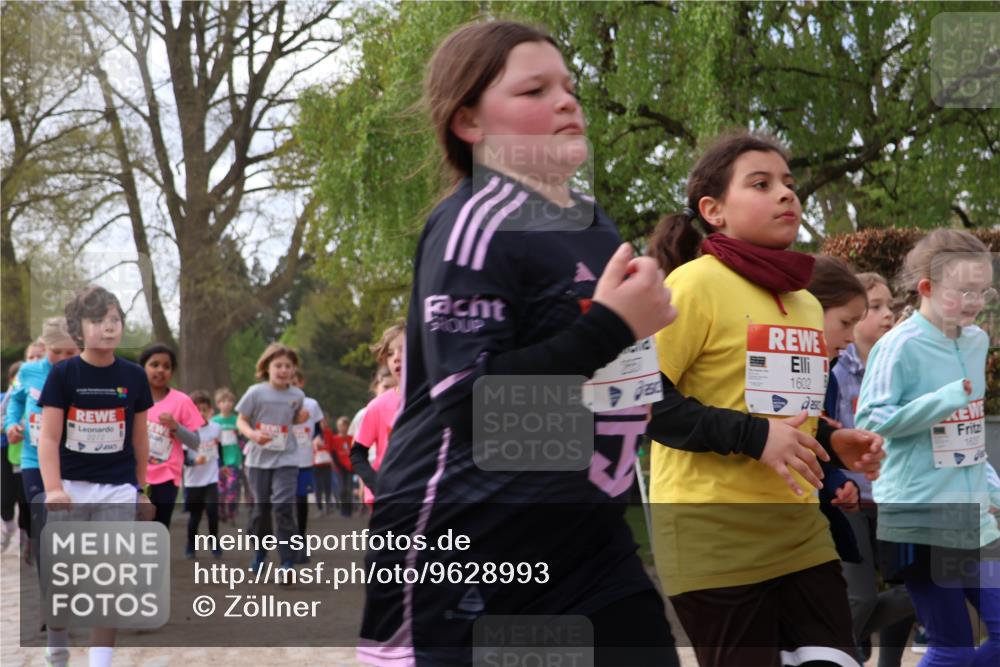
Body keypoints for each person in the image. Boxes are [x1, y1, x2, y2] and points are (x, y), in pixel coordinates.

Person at [357, 21, 679, 667]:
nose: (567, 101)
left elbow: (621, 388)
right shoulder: (475, 219)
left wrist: (761, 436)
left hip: (589, 542)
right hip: (472, 545)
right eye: (535, 89)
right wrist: (614, 324)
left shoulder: (592, 223)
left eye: (569, 85)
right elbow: (471, 405)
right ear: (470, 123)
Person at [645, 131, 884, 667]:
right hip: (714, 543)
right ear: (714, 211)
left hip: (802, 536)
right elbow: (641, 402)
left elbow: (780, 412)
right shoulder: (690, 287)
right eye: (761, 183)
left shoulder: (802, 302)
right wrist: (755, 439)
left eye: (789, 183)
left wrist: (832, 437)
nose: (786, 194)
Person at [857, 229, 1000, 665]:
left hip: (972, 513)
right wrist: (946, 398)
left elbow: (969, 429)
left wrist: (992, 490)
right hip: (917, 514)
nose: (976, 302)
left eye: (984, 291)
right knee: (951, 647)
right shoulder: (897, 346)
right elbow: (871, 421)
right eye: (965, 292)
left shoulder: (976, 340)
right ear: (927, 288)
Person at [37, 285, 154, 667]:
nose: (109, 327)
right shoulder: (64, 375)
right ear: (77, 329)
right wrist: (53, 488)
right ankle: (57, 645)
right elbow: (50, 438)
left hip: (117, 489)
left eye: (115, 320)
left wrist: (141, 490)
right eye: (98, 320)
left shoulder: (134, 377)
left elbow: (139, 440)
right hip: (69, 489)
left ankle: (99, 663)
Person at [829, 271, 915, 665]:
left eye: (889, 307)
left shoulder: (903, 364)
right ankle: (839, 648)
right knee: (859, 597)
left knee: (913, 592)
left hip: (896, 495)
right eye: (874, 307)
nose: (886, 315)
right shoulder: (833, 367)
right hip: (849, 499)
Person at [236, 343, 308, 575]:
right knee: (261, 510)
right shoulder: (255, 392)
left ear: (294, 370)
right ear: (267, 367)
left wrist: (299, 419)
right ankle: (260, 551)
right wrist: (253, 434)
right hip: (258, 461)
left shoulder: (297, 395)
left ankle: (287, 561)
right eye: (278, 365)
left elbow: (291, 419)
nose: (283, 370)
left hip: (286, 458)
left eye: (288, 366)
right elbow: (241, 420)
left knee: (284, 507)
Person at [140, 343, 204, 528]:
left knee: (159, 527)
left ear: (172, 372)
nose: (160, 370)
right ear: (143, 367)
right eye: (154, 364)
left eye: (166, 366)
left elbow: (195, 442)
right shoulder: (132, 397)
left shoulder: (182, 401)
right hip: (134, 475)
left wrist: (176, 427)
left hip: (165, 476)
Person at [350, 322, 404, 507]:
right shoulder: (378, 406)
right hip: (387, 499)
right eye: (390, 353)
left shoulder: (438, 398)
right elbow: (357, 454)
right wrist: (376, 483)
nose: (397, 358)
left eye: (404, 350)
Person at [184, 390, 222, 559]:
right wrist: (194, 462)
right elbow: (183, 459)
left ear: (210, 410)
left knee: (213, 512)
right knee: (195, 516)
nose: (201, 413)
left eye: (204, 409)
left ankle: (214, 543)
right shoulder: (187, 432)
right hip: (193, 481)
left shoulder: (216, 428)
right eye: (197, 410)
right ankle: (191, 545)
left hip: (211, 478)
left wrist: (223, 465)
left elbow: (218, 449)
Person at [212, 387, 242, 523]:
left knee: (232, 487)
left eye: (230, 401)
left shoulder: (237, 420)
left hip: (234, 459)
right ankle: (220, 511)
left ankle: (232, 513)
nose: (227, 404)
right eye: (223, 401)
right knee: (220, 489)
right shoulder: (214, 421)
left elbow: (242, 439)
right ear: (218, 404)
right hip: (219, 461)